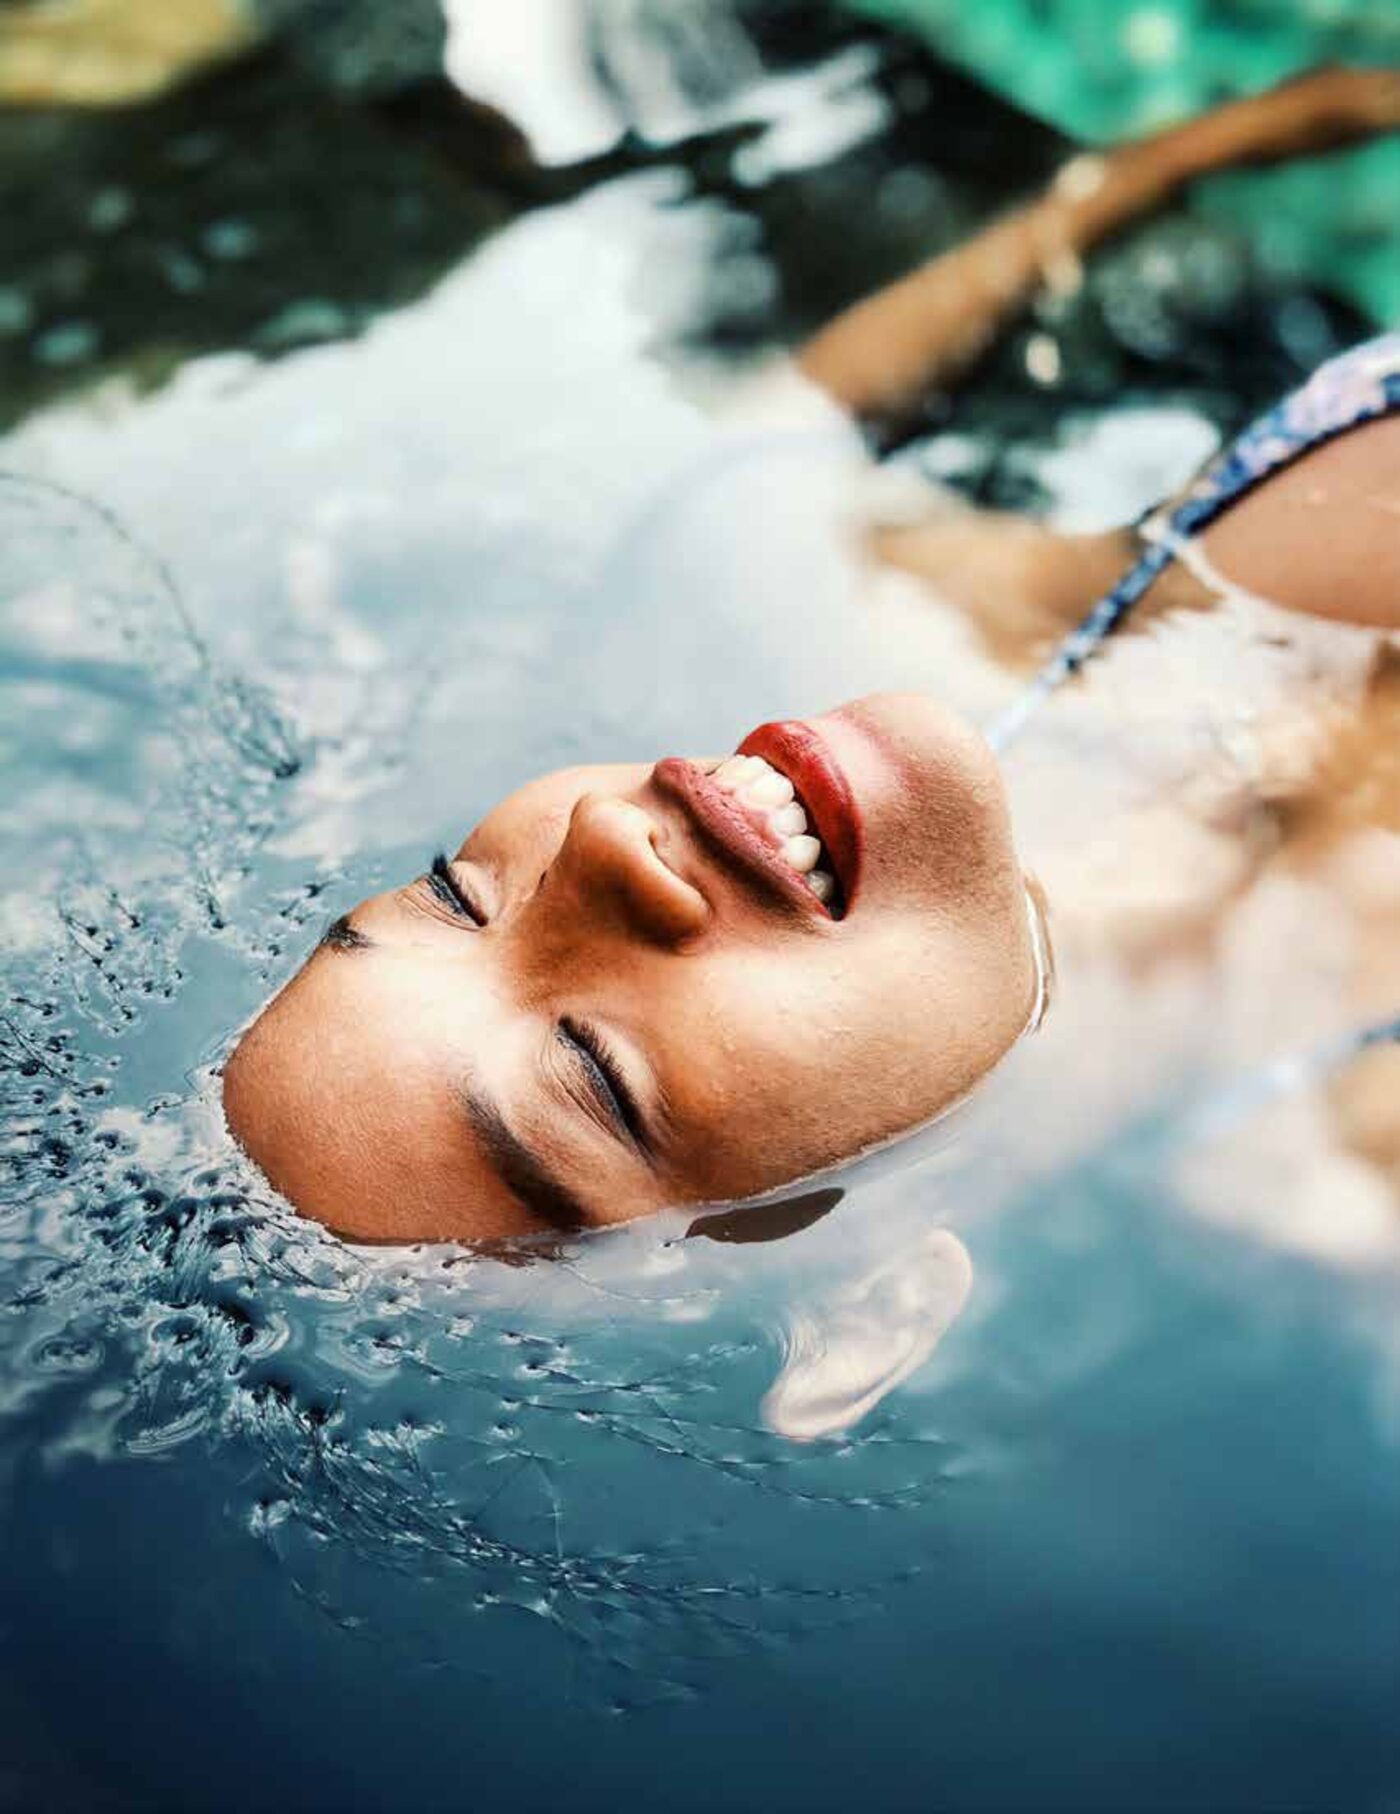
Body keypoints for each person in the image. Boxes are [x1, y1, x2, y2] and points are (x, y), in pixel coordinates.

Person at [223, 64, 1400, 1243]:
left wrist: (1192, 152)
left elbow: (798, 411)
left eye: (453, 895)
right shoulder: (1353, 1154)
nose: (595, 838)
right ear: (877, 1299)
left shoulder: (907, 610)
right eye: (590, 1072)